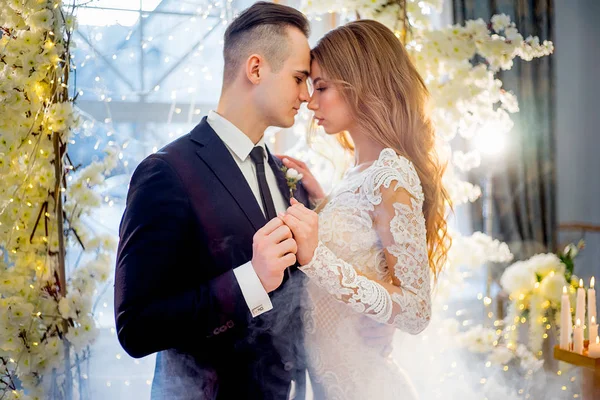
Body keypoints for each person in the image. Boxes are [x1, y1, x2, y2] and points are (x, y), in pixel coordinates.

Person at [113, 3, 313, 399]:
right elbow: (136, 327)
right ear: (255, 69)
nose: (306, 95)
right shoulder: (166, 173)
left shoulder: (285, 173)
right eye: (298, 78)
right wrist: (250, 281)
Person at [278, 20, 451, 399]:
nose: (309, 101)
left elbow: (415, 310)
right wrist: (323, 202)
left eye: (321, 87)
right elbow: (363, 249)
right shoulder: (359, 172)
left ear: (364, 83)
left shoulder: (392, 174)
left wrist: (314, 257)